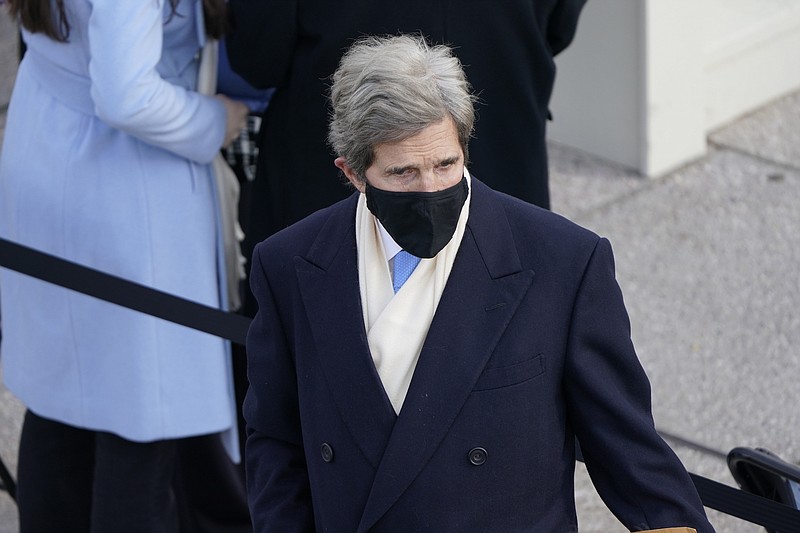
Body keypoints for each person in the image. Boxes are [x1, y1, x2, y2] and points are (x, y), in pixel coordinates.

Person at [243, 35, 716, 532]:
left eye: (446, 164)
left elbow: (625, 444)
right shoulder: (288, 265)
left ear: (465, 147)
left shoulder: (562, 263)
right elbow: (276, 438)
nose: (430, 189)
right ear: (354, 173)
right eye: (404, 173)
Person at [0, 1, 249, 531]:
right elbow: (125, 94)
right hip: (124, 183)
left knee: (61, 401)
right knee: (139, 423)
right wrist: (214, 121)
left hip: (49, 145)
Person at [225, 0, 588, 317]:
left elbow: (258, 54)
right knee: (510, 337)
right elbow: (559, 25)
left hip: (337, 170)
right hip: (501, 134)